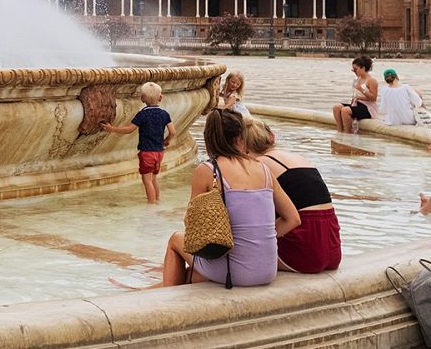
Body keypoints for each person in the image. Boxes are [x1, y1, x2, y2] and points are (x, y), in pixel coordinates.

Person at [142, 108, 300, 288]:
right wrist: (256, 239)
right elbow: (293, 218)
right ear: (241, 137)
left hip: (235, 272)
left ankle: (167, 304)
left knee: (175, 240)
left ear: (209, 139)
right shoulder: (263, 169)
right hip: (267, 270)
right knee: (193, 273)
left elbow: (192, 224)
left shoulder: (207, 170)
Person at [243, 118, 341, 274]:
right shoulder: (299, 158)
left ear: (242, 146)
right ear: (272, 137)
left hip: (304, 248)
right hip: (332, 245)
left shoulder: (260, 165)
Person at [99, 81, 174, 203]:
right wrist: (167, 140)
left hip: (146, 153)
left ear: (142, 98)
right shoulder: (164, 114)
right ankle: (157, 200)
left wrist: (112, 128)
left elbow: (129, 130)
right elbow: (173, 131)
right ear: (160, 97)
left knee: (147, 181)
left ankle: (151, 205)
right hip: (159, 153)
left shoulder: (142, 115)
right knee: (154, 179)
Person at [332, 56, 379, 133]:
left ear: (363, 68)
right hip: (357, 104)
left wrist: (361, 89)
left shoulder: (372, 81)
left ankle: (348, 132)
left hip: (367, 108)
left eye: (356, 69)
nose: (354, 71)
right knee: (336, 107)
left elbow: (373, 98)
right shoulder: (358, 79)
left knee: (345, 110)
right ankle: (340, 131)